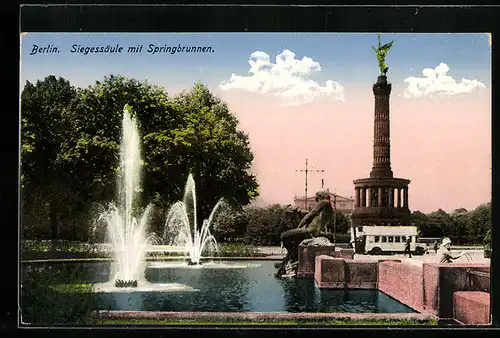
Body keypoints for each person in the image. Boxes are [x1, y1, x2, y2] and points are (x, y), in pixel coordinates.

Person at [275, 191, 334, 277]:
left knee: (284, 235)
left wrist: (298, 227)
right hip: (314, 231)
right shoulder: (328, 207)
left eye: (317, 199)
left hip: (310, 230)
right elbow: (309, 213)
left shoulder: (324, 202)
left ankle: (292, 258)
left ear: (320, 197)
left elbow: (309, 215)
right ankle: (287, 262)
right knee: (293, 243)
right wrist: (298, 210)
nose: (316, 201)